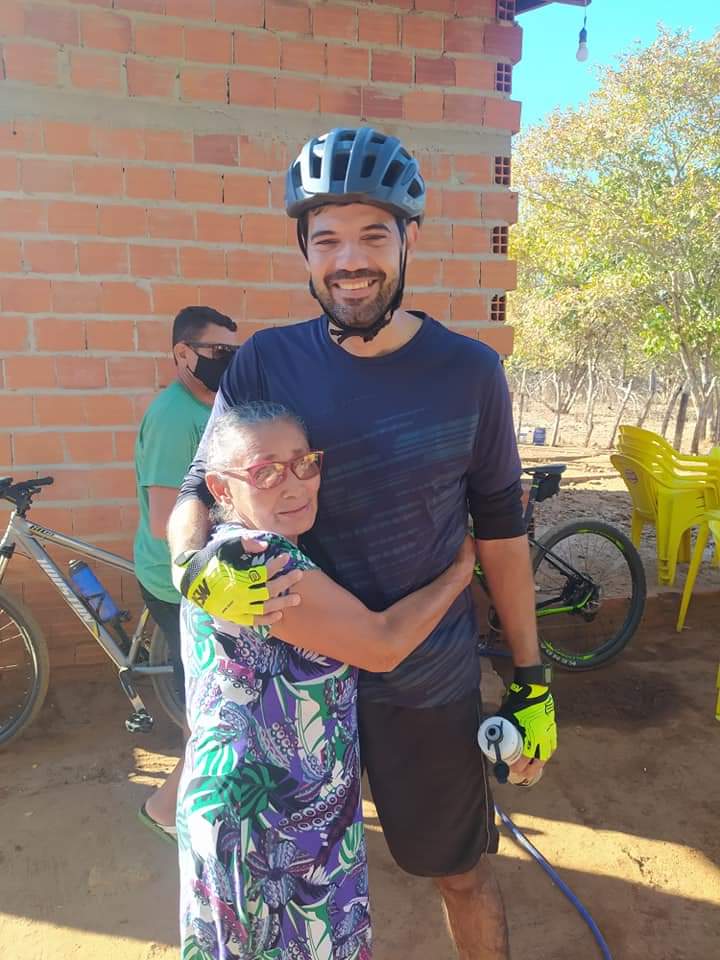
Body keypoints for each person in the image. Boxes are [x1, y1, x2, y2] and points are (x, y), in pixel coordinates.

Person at [169, 128, 558, 959]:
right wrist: (190, 565)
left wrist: (531, 679)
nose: (351, 260)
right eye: (328, 239)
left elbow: (501, 531)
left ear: (409, 238)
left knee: (457, 872)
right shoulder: (265, 361)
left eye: (373, 235)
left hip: (423, 682)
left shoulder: (469, 373)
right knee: (293, 892)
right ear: (305, 252)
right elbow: (193, 494)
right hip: (291, 697)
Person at [177, 400, 475, 959]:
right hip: (270, 824)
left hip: (259, 811)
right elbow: (382, 644)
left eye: (304, 464)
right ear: (220, 489)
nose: (293, 485)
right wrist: (460, 573)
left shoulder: (218, 561)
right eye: (265, 471)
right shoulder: (258, 559)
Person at [134, 305, 243, 839]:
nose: (227, 362)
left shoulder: (217, 403)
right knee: (209, 705)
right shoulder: (174, 416)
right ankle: (165, 806)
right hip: (177, 578)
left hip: (204, 571)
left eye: (233, 352)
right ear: (183, 354)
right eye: (217, 352)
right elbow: (162, 520)